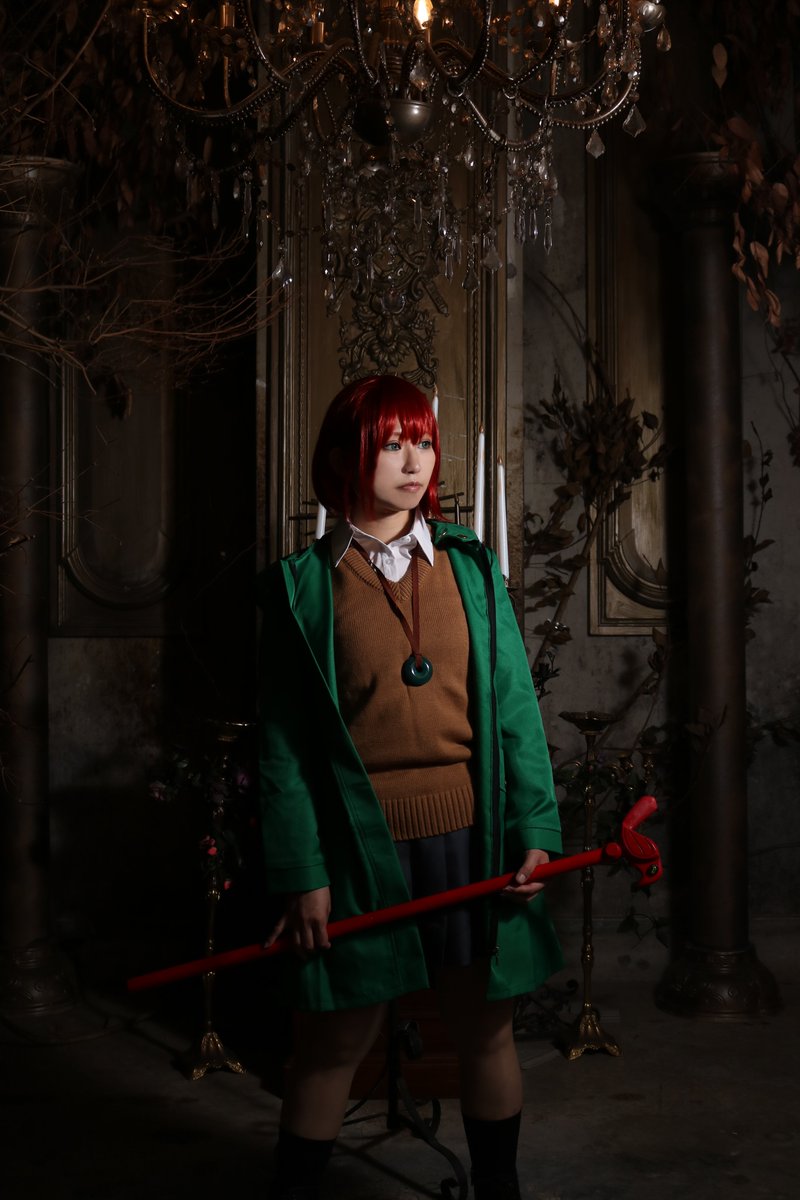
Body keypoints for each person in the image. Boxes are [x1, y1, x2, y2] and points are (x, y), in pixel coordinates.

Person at [258, 374, 562, 1200]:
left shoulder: (471, 568)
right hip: (360, 850)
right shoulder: (304, 588)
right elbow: (284, 750)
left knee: (484, 1031)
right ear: (341, 459)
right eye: (390, 443)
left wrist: (535, 828)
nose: (413, 460)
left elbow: (516, 712)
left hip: (470, 839)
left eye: (422, 441)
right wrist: (304, 873)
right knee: (331, 1046)